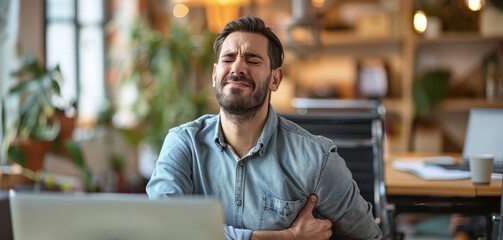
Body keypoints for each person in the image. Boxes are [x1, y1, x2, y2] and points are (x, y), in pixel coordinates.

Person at [146, 15, 382, 240]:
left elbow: (369, 235)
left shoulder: (316, 161)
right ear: (215, 74)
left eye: (252, 60)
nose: (237, 68)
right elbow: (165, 229)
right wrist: (288, 237)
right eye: (228, 59)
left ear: (275, 79)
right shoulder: (183, 144)